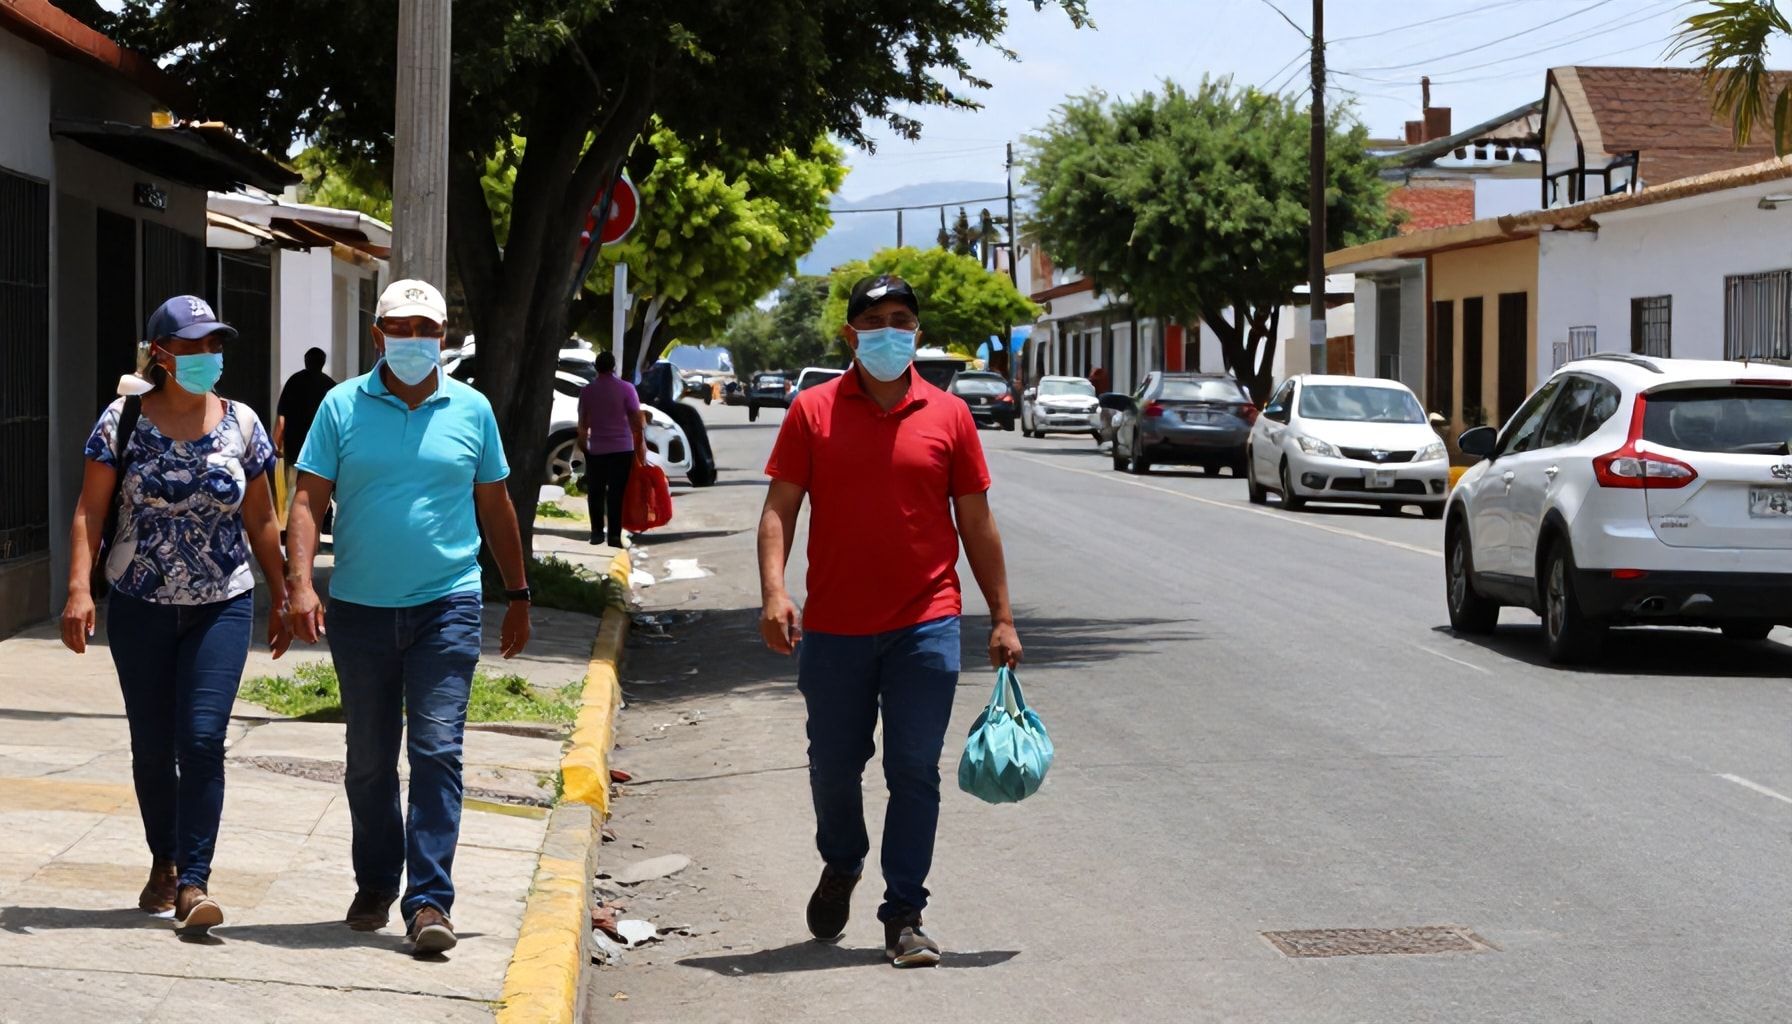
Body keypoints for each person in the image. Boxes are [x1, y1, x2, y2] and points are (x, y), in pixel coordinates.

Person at [757, 274, 1023, 968]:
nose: (887, 330)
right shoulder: (811, 411)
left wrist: (1001, 616)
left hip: (926, 623)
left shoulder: (950, 416)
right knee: (835, 769)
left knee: (914, 769)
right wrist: (774, 593)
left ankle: (904, 913)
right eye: (873, 320)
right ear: (851, 335)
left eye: (900, 319)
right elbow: (779, 510)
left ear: (918, 334)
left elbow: (976, 522)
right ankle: (842, 861)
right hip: (836, 629)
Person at [284, 279, 533, 956]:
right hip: (361, 610)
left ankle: (427, 901)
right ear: (377, 336)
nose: (415, 340)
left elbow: (496, 505)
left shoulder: (473, 410)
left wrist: (518, 592)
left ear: (445, 337)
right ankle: (375, 880)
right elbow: (307, 500)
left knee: (436, 752)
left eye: (427, 329)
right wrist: (299, 583)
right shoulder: (340, 407)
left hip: (446, 606)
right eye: (402, 328)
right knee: (368, 760)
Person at [59, 295, 291, 937]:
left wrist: (285, 592)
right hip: (139, 605)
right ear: (160, 354)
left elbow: (262, 518)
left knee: (202, 740)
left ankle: (194, 880)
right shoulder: (122, 421)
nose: (205, 357)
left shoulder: (242, 424)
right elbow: (90, 511)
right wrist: (79, 590)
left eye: (213, 345)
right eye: (191, 346)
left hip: (222, 603)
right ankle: (164, 858)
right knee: (153, 748)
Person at [576, 350, 647, 547]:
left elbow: (583, 422)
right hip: (622, 449)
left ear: (596, 368)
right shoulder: (627, 389)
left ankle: (597, 532)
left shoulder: (588, 391)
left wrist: (584, 446)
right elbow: (636, 418)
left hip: (597, 449)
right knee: (617, 493)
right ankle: (614, 536)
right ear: (614, 367)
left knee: (596, 492)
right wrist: (641, 444)